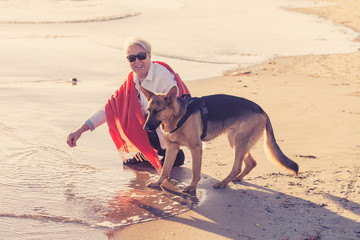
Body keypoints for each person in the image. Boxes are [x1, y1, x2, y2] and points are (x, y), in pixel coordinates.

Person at [67, 37, 190, 172]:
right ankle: (151, 152)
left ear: (149, 55)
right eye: (131, 58)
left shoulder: (163, 76)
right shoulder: (132, 81)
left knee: (153, 117)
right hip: (153, 129)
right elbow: (109, 109)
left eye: (141, 56)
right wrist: (79, 131)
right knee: (125, 113)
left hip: (174, 129)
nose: (137, 61)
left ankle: (172, 152)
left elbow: (175, 110)